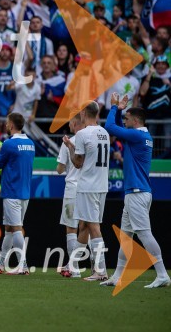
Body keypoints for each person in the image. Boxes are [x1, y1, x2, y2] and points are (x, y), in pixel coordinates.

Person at [101, 94, 170, 289]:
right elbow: (117, 128)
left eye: (127, 118)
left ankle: (162, 274)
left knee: (145, 235)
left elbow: (110, 128)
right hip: (137, 192)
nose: (125, 121)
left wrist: (114, 107)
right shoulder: (142, 136)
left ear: (136, 120)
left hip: (137, 193)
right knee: (126, 236)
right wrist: (121, 109)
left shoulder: (138, 135)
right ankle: (117, 277)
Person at [61, 102, 111, 282]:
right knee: (84, 226)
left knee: (93, 227)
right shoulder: (104, 132)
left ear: (83, 113)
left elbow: (77, 163)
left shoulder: (82, 134)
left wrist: (69, 147)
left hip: (88, 186)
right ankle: (72, 264)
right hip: (102, 185)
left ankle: (101, 270)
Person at [0, 113, 35, 275]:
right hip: (25, 191)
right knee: (9, 228)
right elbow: (14, 159)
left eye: (7, 122)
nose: (5, 125)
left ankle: (23, 265)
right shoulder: (31, 143)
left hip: (11, 191)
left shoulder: (9, 144)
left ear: (12, 125)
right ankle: (1, 263)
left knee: (17, 228)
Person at [57, 116, 83, 279]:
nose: (69, 125)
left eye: (70, 123)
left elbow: (60, 169)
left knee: (71, 227)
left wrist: (61, 165)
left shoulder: (69, 142)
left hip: (72, 188)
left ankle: (74, 267)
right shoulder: (91, 140)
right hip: (88, 188)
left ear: (75, 123)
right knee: (87, 227)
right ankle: (96, 268)